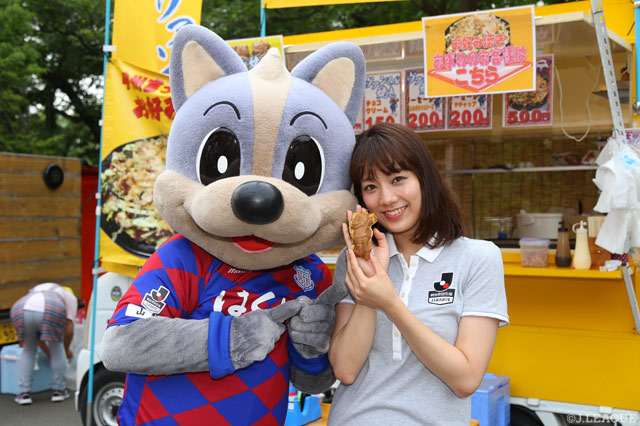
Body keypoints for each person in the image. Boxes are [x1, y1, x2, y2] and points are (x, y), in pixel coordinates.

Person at [327, 122, 509, 426]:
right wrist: (369, 290)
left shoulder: (477, 258)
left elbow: (465, 380)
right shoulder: (355, 260)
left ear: (425, 178)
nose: (386, 198)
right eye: (371, 186)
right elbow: (345, 370)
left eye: (398, 179)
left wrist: (390, 303)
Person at [9, 282, 77, 405]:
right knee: (57, 347)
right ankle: (59, 390)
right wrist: (65, 350)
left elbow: (39, 340)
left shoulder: (37, 289)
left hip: (20, 307)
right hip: (51, 309)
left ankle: (24, 393)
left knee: (28, 350)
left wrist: (51, 354)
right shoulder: (70, 297)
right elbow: (69, 331)